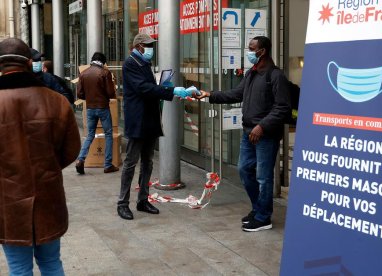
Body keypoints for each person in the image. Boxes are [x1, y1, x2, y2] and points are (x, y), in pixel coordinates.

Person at [0, 38, 81, 275]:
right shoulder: (56, 101)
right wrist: (48, 166)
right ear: (28, 63)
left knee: (19, 268)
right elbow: (71, 150)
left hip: (8, 201)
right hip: (48, 196)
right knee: (51, 263)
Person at [195, 36, 291, 232]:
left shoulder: (275, 75)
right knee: (244, 170)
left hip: (265, 135)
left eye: (251, 48)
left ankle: (264, 218)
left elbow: (283, 108)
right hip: (248, 133)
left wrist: (261, 127)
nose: (248, 52)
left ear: (262, 51)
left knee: (264, 178)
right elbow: (235, 94)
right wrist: (210, 94)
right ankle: (258, 208)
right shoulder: (251, 74)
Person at [117, 33, 194, 220]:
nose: (151, 49)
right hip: (138, 120)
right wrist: (171, 90)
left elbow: (150, 88)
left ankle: (143, 199)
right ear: (139, 46)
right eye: (148, 45)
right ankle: (122, 203)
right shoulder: (130, 64)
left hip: (150, 119)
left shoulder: (144, 63)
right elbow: (143, 88)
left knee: (148, 162)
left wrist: (164, 86)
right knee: (131, 163)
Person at [75, 52, 119, 174]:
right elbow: (110, 92)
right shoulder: (105, 73)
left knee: (90, 135)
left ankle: (80, 159)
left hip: (90, 108)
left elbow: (80, 94)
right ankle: (108, 164)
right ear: (103, 62)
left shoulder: (83, 74)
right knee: (108, 134)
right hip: (103, 107)